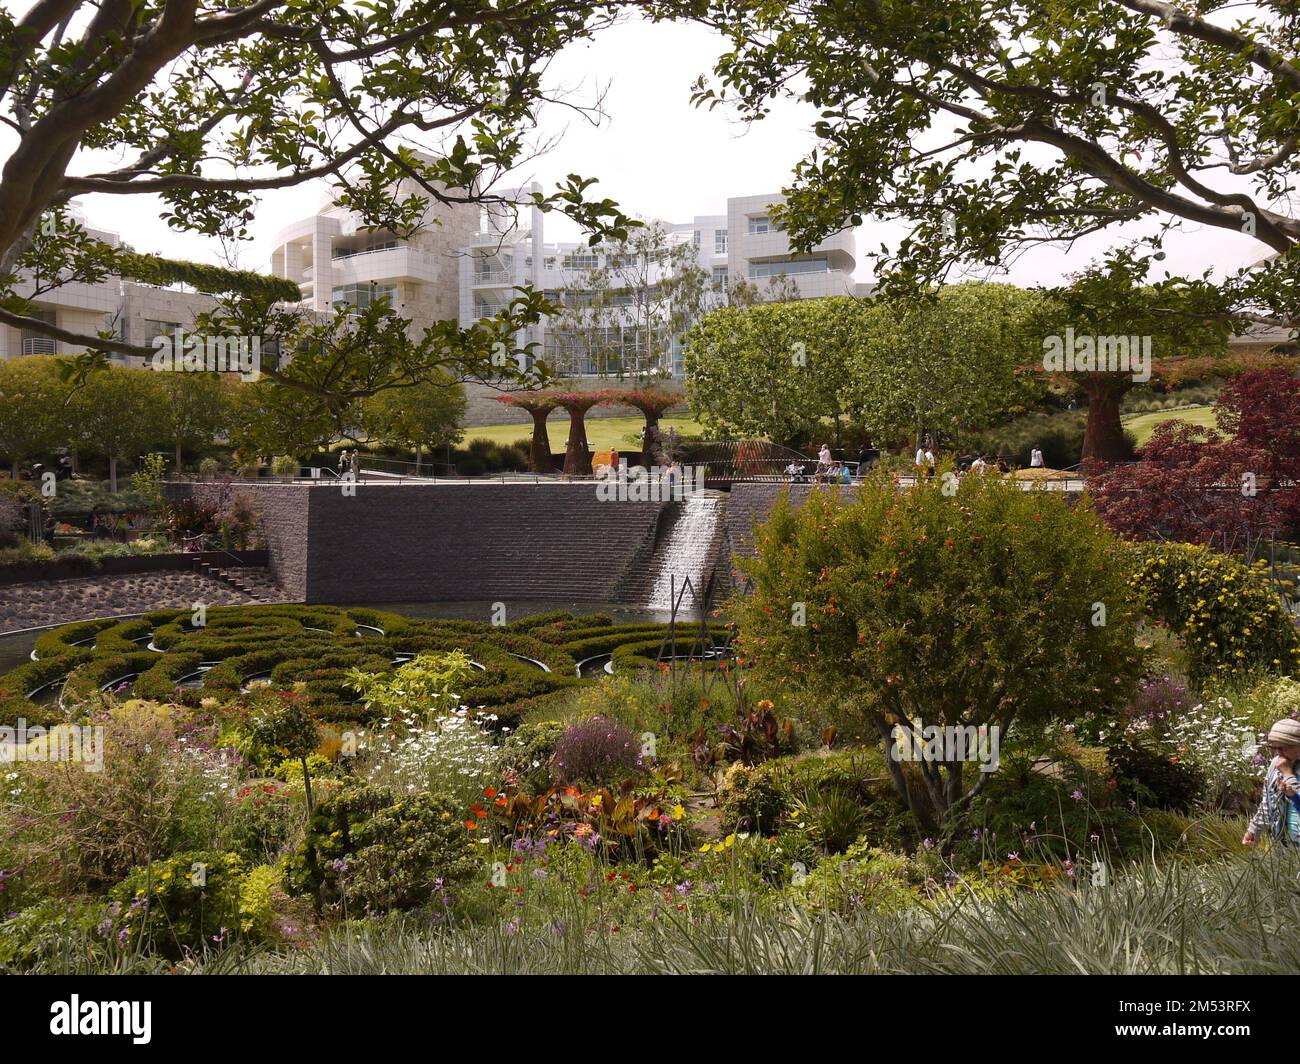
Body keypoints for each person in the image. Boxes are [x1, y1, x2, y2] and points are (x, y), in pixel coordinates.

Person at [1243, 719, 1300, 847]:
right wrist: (1254, 830)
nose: (1278, 754)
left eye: (1282, 748)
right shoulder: (1276, 764)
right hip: (1283, 846)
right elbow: (1267, 802)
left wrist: (1288, 774)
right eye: (1275, 748)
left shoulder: (1283, 767)